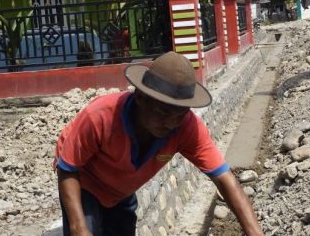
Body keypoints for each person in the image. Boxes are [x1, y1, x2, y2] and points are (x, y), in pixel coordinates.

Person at [54, 51, 264, 236]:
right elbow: (67, 167)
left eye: (179, 114)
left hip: (120, 190)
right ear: (141, 97)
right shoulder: (100, 116)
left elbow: (224, 179)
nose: (171, 123)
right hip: (84, 181)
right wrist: (78, 227)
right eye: (163, 112)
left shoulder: (187, 127)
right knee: (86, 227)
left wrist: (255, 233)